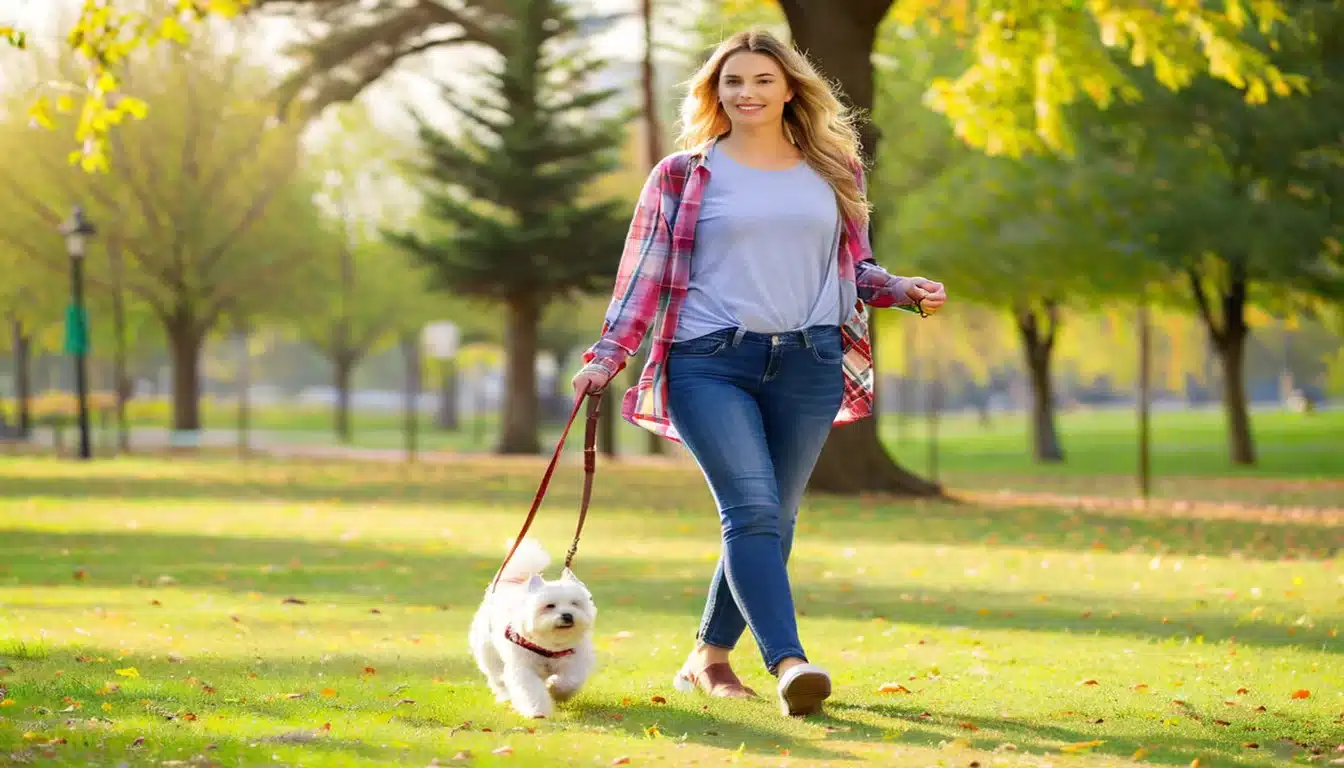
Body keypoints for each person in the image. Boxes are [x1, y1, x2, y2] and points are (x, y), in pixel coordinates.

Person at [570, 29, 948, 718]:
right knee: (749, 509)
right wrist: (607, 355)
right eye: (733, 82)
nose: (746, 93)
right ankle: (790, 662)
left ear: (789, 90)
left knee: (775, 515)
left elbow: (853, 268)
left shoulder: (834, 168)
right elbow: (643, 277)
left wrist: (899, 288)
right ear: (715, 93)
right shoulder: (684, 175)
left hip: (809, 360)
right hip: (709, 360)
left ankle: (708, 658)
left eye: (762, 81)